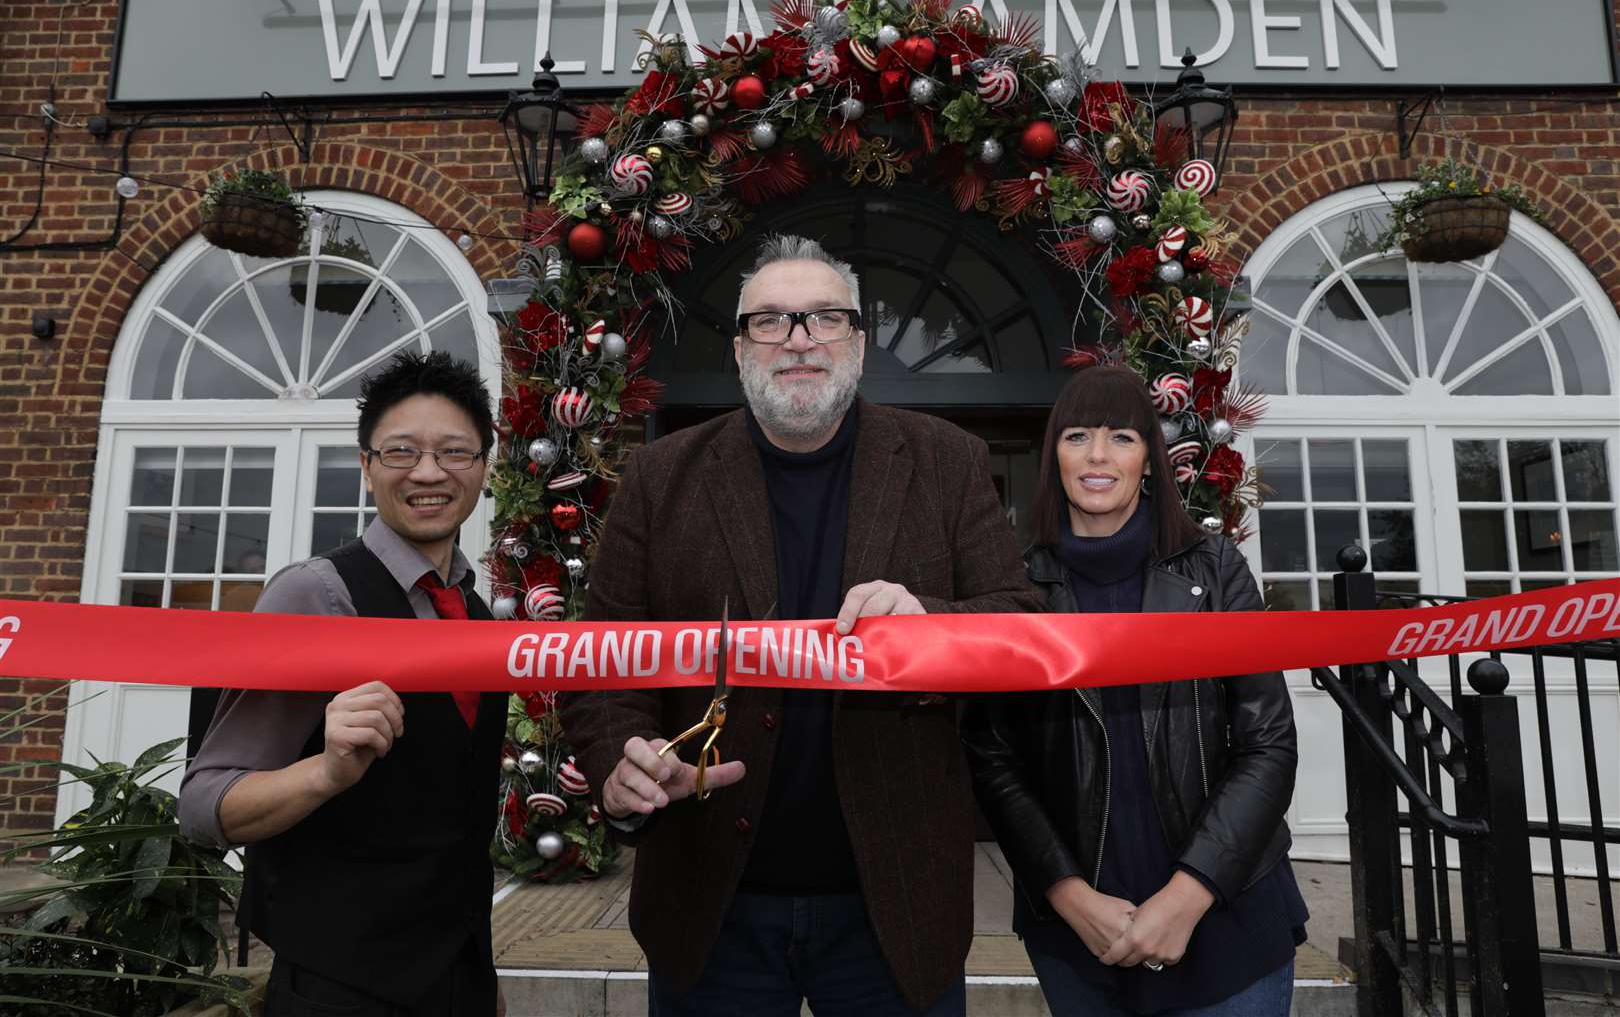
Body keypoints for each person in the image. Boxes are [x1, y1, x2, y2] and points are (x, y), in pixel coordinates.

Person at [559, 233, 1039, 1017]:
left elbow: (1019, 626)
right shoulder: (659, 476)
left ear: (858, 340)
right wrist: (624, 767)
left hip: (897, 906)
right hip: (709, 905)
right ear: (741, 348)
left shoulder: (946, 461)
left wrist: (929, 621)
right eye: (771, 322)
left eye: (824, 318)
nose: (799, 340)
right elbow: (606, 657)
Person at [961, 364, 1306, 1016]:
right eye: (1077, 436)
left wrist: (1187, 896)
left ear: (1150, 458)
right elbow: (994, 762)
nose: (1098, 456)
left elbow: (1268, 746)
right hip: (1080, 937)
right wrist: (1066, 893)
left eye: (1121, 437)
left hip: (1225, 918)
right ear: (1053, 457)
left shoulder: (1218, 570)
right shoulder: (1013, 590)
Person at [179, 351, 507, 1017]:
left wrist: (481, 977)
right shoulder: (315, 596)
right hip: (341, 985)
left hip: (457, 976)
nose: (428, 473)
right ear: (365, 468)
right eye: (400, 453)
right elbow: (204, 804)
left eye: (454, 453)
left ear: (483, 468)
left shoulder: (473, 613)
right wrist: (325, 773)